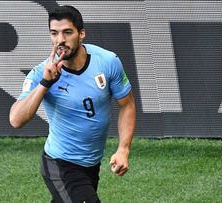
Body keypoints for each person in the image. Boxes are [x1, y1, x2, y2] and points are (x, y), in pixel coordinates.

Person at [9, 5, 136, 203]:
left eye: (67, 32)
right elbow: (16, 120)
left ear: (81, 33)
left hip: (91, 165)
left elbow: (127, 104)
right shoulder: (41, 73)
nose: (60, 40)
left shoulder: (108, 62)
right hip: (60, 163)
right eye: (54, 33)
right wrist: (45, 84)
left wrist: (123, 149)